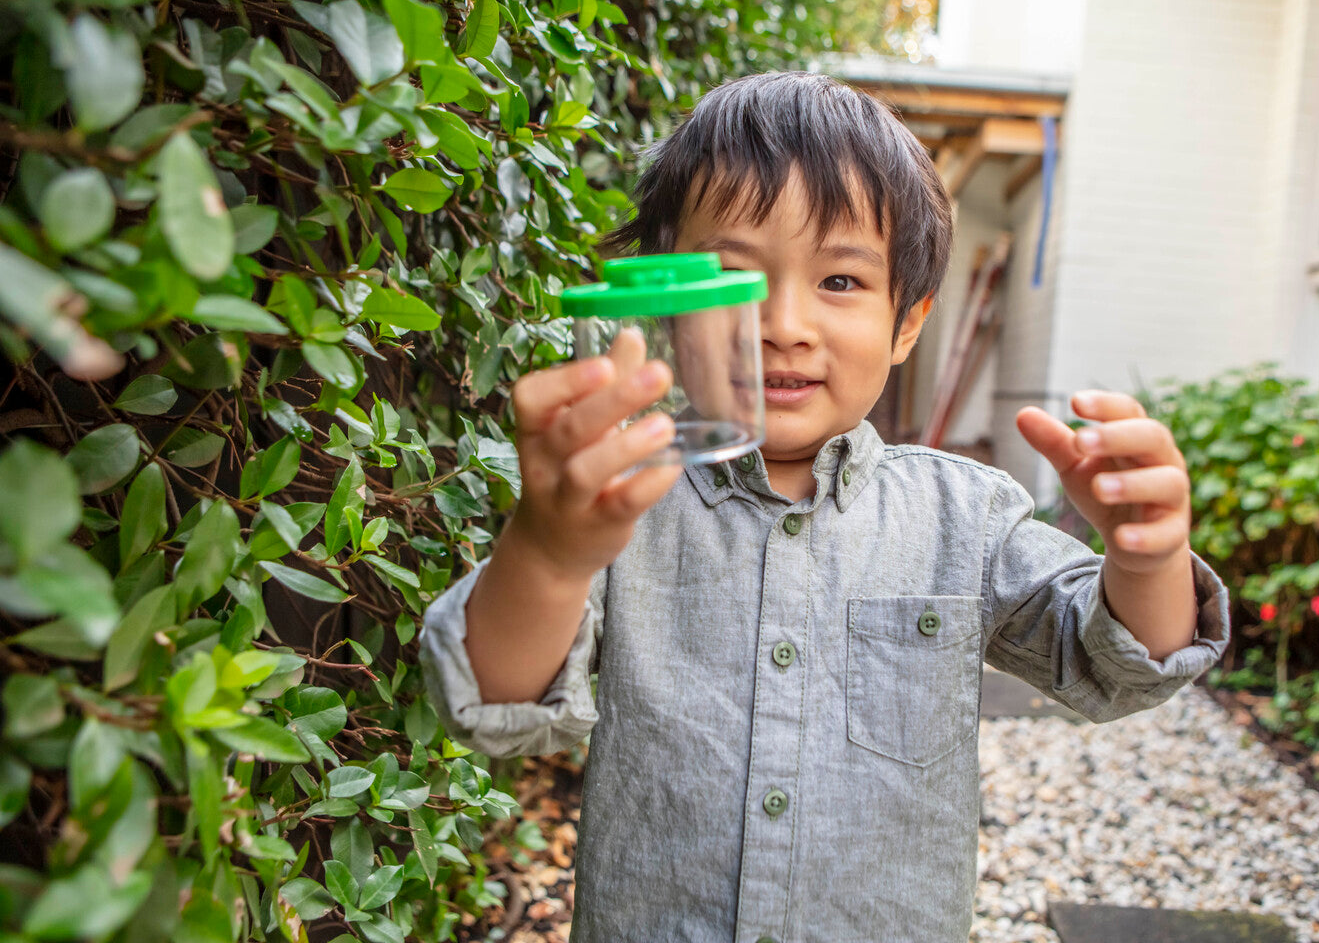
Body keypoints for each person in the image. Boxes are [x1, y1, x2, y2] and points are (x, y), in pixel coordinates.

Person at [419, 71, 1231, 942]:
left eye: (840, 280)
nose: (783, 323)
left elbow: (1114, 668)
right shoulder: (620, 506)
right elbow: (494, 705)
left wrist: (1147, 561)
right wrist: (548, 555)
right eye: (730, 278)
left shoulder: (964, 517)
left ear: (906, 323)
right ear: (667, 303)